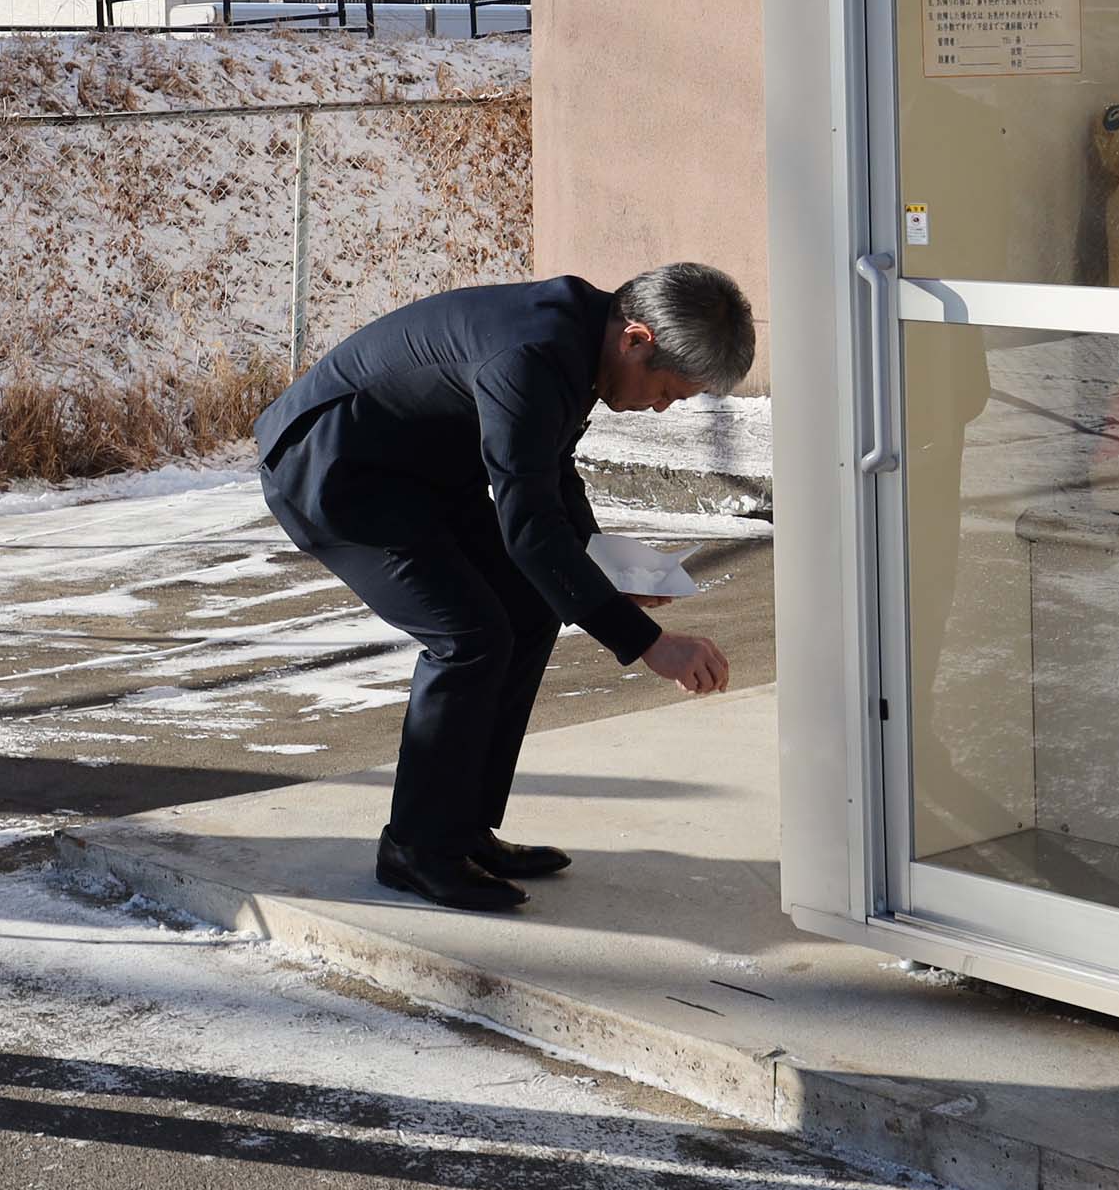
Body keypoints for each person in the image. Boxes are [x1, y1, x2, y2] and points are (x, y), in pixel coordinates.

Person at [257, 265, 754, 912]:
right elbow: (527, 528)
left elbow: (547, 468)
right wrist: (646, 643)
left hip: (420, 467)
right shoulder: (532, 354)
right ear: (636, 338)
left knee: (527, 605)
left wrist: (602, 569)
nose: (660, 407)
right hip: (334, 469)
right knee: (469, 636)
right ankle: (416, 848)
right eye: (665, 391)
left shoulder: (583, 337)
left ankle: (460, 830)